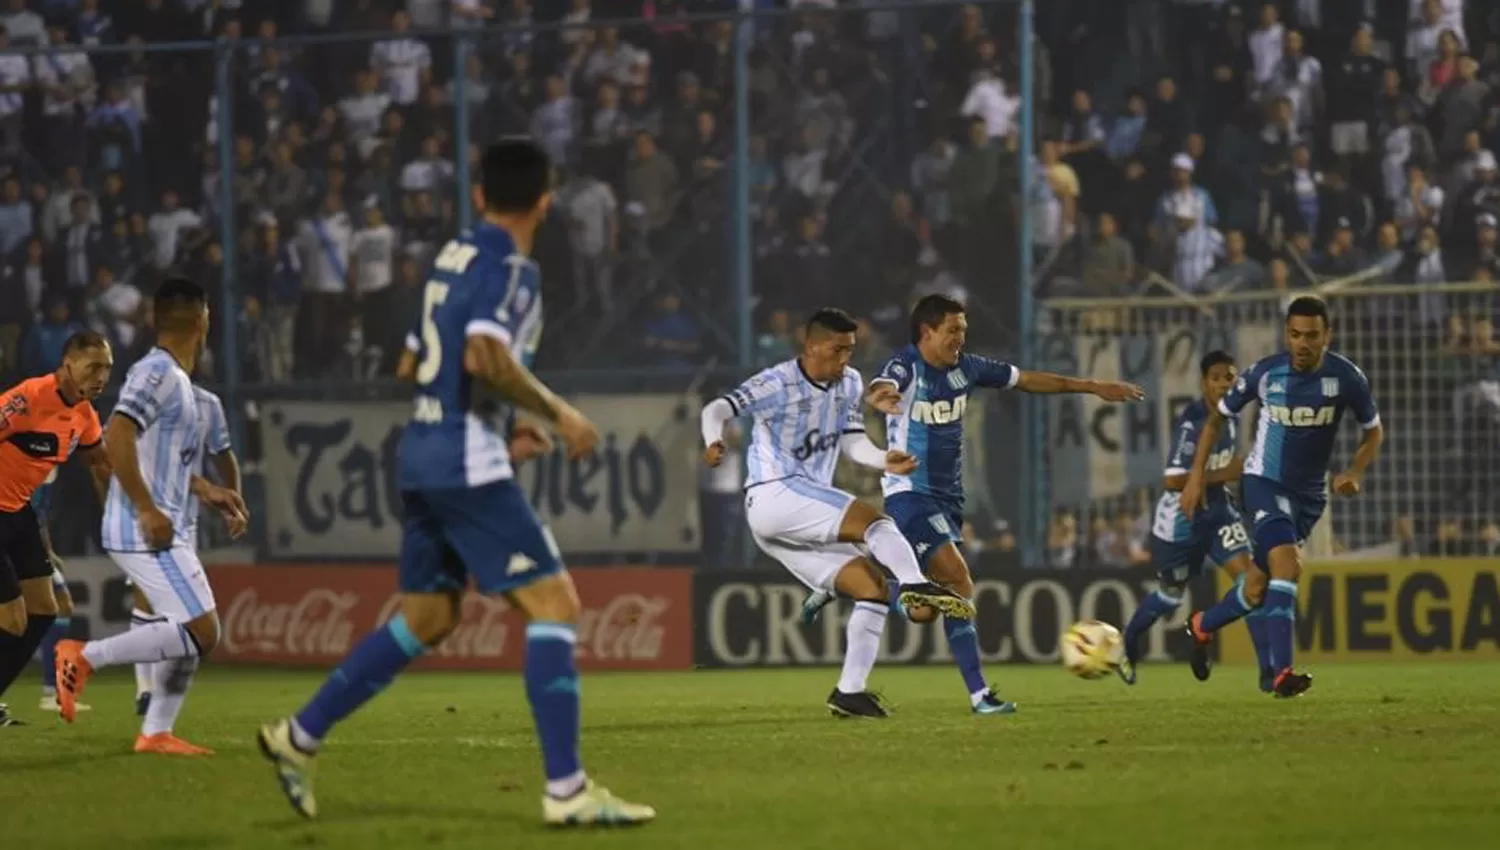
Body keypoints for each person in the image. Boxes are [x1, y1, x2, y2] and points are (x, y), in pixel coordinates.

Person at [256, 139, 655, 826]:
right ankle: (567, 792)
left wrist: (496, 428)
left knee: (430, 618)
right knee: (556, 606)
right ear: (545, 202)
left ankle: (299, 735)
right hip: (464, 457)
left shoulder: (450, 256)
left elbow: (413, 364)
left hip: (423, 449)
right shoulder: (510, 267)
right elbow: (484, 355)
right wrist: (559, 413)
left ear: (478, 197)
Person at [799, 294, 1145, 714]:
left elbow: (1029, 379)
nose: (960, 338)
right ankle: (980, 696)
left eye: (963, 329)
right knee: (960, 582)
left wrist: (1091, 386)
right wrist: (883, 396)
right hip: (911, 495)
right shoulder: (907, 364)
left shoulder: (969, 368)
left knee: (925, 610)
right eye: (952, 330)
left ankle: (843, 584)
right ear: (927, 332)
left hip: (949, 501)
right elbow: (882, 385)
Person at [701, 307, 971, 719]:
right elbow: (716, 409)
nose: (844, 359)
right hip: (774, 494)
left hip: (789, 517)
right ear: (811, 346)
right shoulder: (777, 382)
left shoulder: (849, 383)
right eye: (836, 349)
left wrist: (884, 460)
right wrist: (713, 440)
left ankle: (849, 692)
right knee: (876, 523)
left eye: (850, 350)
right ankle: (916, 581)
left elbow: (852, 442)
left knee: (873, 589)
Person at [52, 278, 249, 754]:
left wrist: (207, 490)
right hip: (142, 528)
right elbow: (118, 435)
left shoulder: (177, 382)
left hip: (164, 525)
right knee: (203, 631)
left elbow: (159, 458)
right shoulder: (156, 373)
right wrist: (145, 507)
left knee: (190, 632)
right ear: (203, 320)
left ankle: (156, 731)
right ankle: (84, 656)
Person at [1181, 296, 1384, 698]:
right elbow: (1217, 417)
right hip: (1263, 484)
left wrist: (1355, 471)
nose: (1302, 343)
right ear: (1286, 335)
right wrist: (1195, 478)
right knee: (1288, 566)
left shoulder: (1346, 378)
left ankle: (1202, 625)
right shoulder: (1265, 373)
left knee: (1256, 588)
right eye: (1295, 335)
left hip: (1309, 497)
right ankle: (1281, 672)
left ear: (1328, 335)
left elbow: (1373, 430)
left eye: (1311, 335)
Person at [1118, 350, 1267, 688]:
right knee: (1171, 596)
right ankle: (1128, 645)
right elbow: (1173, 480)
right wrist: (1229, 471)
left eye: (1230, 377)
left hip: (1217, 513)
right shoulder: (1193, 421)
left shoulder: (1232, 415)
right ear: (1204, 383)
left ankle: (1269, 671)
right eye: (1217, 378)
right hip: (1181, 522)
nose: (1224, 384)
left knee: (1252, 583)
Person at [0, 331, 113, 727]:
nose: (101, 376)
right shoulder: (29, 397)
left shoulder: (84, 415)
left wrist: (125, 507)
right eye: (93, 367)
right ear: (68, 366)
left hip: (20, 513)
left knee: (45, 610)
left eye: (107, 368)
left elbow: (100, 462)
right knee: (13, 618)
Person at [128, 385, 242, 736]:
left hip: (185, 519)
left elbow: (224, 453)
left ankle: (153, 690)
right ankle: (145, 689)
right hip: (144, 512)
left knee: (178, 608)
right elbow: (123, 453)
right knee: (149, 595)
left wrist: (235, 501)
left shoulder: (209, 403)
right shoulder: (144, 397)